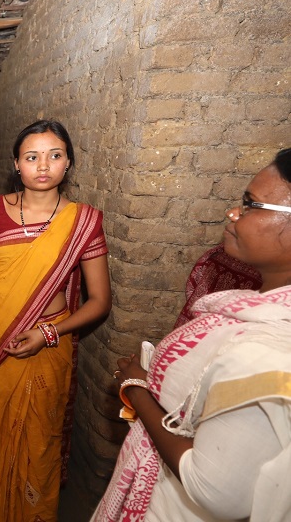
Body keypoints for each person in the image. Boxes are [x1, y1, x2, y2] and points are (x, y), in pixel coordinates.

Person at [94, 148, 291, 522]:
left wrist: (138, 390)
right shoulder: (253, 306)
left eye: (251, 204)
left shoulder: (267, 353)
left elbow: (215, 492)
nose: (233, 213)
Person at [0, 120, 112, 521]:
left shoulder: (83, 222)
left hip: (45, 344)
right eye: (31, 157)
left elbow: (100, 301)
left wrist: (48, 332)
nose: (42, 166)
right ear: (16, 164)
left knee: (35, 440)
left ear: (68, 162)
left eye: (54, 155)